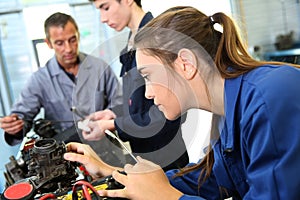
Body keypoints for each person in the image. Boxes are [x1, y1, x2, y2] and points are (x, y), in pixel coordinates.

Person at [64, 6, 300, 199]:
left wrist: (168, 198)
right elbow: (209, 179)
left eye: (148, 76)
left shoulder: (270, 96)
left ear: (185, 63)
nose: (146, 93)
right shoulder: (227, 113)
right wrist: (113, 175)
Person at [0, 12, 124, 165]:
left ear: (78, 36)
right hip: (66, 157)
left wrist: (107, 118)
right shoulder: (39, 79)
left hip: (107, 151)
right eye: (59, 43)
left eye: (72, 40)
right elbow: (21, 117)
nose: (69, 49)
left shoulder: (100, 68)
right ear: (48, 43)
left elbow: (120, 105)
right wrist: (15, 126)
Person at [85, 0, 189, 171]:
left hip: (167, 157)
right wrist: (113, 113)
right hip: (144, 154)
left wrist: (112, 125)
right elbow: (137, 102)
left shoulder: (156, 39)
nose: (103, 18)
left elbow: (165, 115)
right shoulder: (130, 45)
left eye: (106, 7)